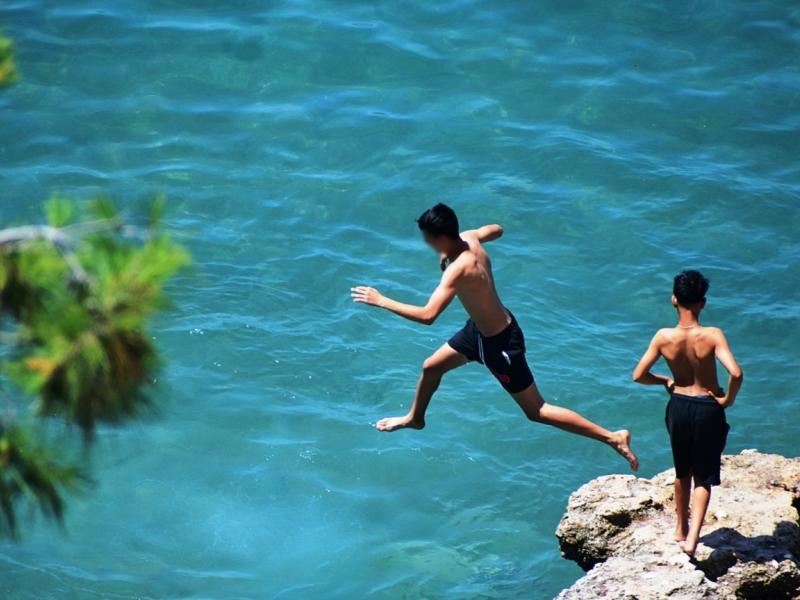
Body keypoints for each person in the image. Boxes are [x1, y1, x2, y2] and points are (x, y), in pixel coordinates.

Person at [351, 203, 638, 471]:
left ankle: (611, 437)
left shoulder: (459, 270)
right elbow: (496, 229)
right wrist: (450, 251)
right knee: (431, 367)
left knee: (537, 410)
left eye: (427, 238)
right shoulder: (468, 239)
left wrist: (381, 300)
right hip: (478, 330)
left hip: (500, 346)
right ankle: (415, 418)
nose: (425, 243)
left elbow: (428, 316)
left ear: (439, 237)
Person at [632, 270, 743, 556]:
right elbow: (736, 373)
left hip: (678, 406)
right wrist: (727, 400)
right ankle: (693, 539)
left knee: (682, 471)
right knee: (703, 476)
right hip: (708, 408)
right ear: (702, 303)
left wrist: (666, 381)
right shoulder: (713, 335)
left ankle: (679, 529)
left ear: (673, 300)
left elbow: (639, 375)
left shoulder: (663, 337)